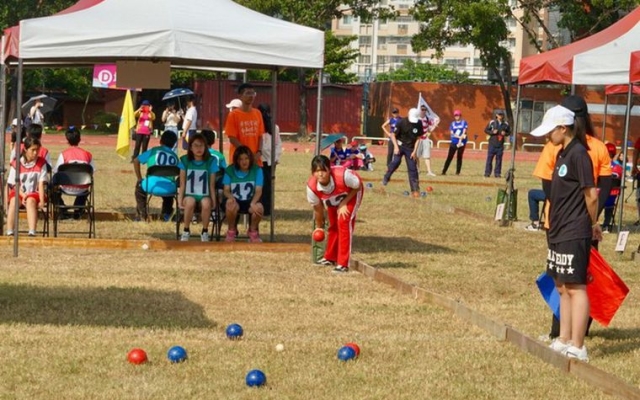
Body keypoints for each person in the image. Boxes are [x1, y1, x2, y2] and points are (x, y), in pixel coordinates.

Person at [534, 95, 611, 343]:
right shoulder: (560, 153)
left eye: (550, 131)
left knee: (576, 286)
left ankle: (577, 344)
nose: (547, 137)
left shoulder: (581, 154)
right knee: (562, 286)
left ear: (563, 128)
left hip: (574, 228)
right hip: (558, 227)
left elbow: (591, 194)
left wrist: (593, 223)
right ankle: (564, 338)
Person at [307, 155, 363, 273]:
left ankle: (343, 263)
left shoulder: (343, 176)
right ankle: (330, 257)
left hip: (351, 192)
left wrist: (344, 203)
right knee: (333, 224)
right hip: (334, 197)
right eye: (317, 171)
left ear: (329, 169)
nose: (320, 174)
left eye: (323, 170)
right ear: (312, 173)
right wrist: (319, 227)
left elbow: (357, 186)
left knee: (343, 221)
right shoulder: (312, 188)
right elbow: (318, 209)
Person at [178, 133, 218, 242]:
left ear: (206, 147)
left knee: (206, 203)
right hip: (189, 194)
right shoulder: (184, 160)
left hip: (205, 195)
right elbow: (182, 183)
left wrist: (213, 201)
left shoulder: (211, 161)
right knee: (190, 202)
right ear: (190, 147)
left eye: (201, 146)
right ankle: (186, 230)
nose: (199, 148)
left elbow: (212, 184)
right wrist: (179, 200)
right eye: (196, 145)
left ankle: (205, 231)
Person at [5, 137, 48, 237]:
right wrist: (23, 195)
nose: (35, 152)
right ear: (25, 149)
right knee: (14, 201)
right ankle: (10, 230)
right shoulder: (16, 163)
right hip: (19, 192)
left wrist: (41, 201)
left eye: (37, 150)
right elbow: (13, 184)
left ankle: (32, 231)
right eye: (33, 150)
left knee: (30, 200)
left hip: (35, 193)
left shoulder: (42, 163)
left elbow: (41, 184)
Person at [133, 130, 179, 222]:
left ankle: (142, 215)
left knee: (139, 189)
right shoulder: (174, 156)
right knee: (169, 194)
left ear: (160, 141)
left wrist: (139, 178)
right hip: (169, 188)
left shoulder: (153, 151)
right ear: (174, 144)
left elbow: (136, 161)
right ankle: (166, 213)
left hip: (151, 185)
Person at [223, 145, 264, 243]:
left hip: (250, 199)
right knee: (230, 204)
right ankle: (231, 230)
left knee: (259, 208)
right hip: (236, 200)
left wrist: (253, 203)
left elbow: (258, 190)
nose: (244, 161)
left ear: (250, 159)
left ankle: (253, 231)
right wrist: (231, 197)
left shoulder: (257, 170)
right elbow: (226, 190)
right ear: (236, 161)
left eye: (246, 158)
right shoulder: (230, 170)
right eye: (241, 159)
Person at [53, 126, 96, 218]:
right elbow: (92, 171)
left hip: (65, 187)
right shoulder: (87, 154)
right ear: (80, 139)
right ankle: (78, 209)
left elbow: (56, 171)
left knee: (51, 189)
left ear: (67, 140)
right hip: (83, 188)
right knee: (88, 183)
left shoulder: (63, 154)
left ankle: (62, 209)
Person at [383, 108, 422, 197]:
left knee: (413, 168)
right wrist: (396, 147)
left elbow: (418, 138)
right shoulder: (401, 122)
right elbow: (393, 135)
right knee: (396, 162)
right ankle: (387, 176)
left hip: (410, 148)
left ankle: (415, 190)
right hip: (400, 146)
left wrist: (414, 152)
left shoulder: (419, 123)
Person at [224, 83, 264, 165]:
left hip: (255, 160)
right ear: (240, 96)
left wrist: (259, 152)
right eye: (248, 93)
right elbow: (232, 138)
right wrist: (247, 154)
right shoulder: (233, 115)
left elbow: (260, 136)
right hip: (239, 159)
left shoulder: (258, 113)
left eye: (253, 93)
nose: (251, 96)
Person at [257, 103, 282, 218]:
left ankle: (266, 210)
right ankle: (259, 208)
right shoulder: (257, 125)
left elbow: (277, 144)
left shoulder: (274, 127)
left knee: (266, 186)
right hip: (258, 159)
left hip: (268, 160)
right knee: (259, 185)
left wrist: (276, 158)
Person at [602, 142, 624, 233]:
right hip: (612, 196)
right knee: (609, 204)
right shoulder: (618, 168)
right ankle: (606, 225)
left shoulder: (600, 166)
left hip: (598, 196)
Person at [483, 110, 511, 178]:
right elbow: (486, 130)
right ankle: (487, 173)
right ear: (496, 115)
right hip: (492, 144)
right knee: (489, 159)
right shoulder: (492, 122)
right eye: (499, 115)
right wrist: (492, 132)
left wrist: (505, 134)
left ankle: (497, 173)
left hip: (500, 145)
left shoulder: (506, 124)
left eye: (501, 115)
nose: (500, 116)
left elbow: (509, 132)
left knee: (499, 160)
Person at [441, 109, 468, 176]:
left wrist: (461, 138)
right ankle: (444, 171)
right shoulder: (452, 124)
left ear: (460, 116)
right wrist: (459, 137)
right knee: (449, 157)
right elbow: (452, 133)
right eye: (455, 115)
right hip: (454, 142)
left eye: (458, 115)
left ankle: (457, 172)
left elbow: (464, 130)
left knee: (459, 157)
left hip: (462, 143)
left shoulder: (464, 122)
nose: (457, 116)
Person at [416, 105, 436, 176]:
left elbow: (431, 127)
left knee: (427, 155)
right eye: (422, 109)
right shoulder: (416, 119)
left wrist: (429, 132)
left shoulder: (427, 119)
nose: (423, 111)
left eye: (424, 109)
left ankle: (429, 171)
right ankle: (418, 169)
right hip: (418, 139)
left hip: (425, 139)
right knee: (416, 155)